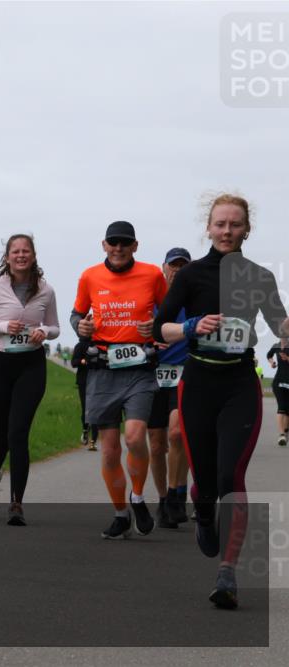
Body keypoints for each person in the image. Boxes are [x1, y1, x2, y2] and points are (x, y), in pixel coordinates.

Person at [154, 193, 288, 609]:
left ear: (247, 229)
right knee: (206, 484)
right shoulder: (190, 276)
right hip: (196, 384)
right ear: (209, 228)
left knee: (232, 476)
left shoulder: (260, 277)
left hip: (238, 386)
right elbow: (161, 328)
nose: (227, 231)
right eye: (220, 224)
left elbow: (279, 324)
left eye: (235, 224)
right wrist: (192, 325)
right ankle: (204, 514)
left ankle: (228, 571)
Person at [72, 221, 167, 539]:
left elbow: (167, 312)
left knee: (135, 437)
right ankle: (120, 514)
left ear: (135, 246)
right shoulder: (89, 276)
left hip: (139, 369)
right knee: (110, 450)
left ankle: (138, 496)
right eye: (113, 242)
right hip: (102, 369)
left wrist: (156, 324)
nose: (118, 248)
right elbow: (77, 314)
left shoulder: (153, 274)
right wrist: (80, 328)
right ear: (104, 245)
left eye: (125, 243)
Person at [0, 235, 60, 526]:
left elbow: (55, 327)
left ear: (33, 256)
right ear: (7, 257)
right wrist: (2, 326)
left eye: (26, 251)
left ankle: (17, 503)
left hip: (30, 365)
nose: (21, 256)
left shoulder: (46, 289)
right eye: (15, 251)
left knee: (18, 433)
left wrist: (44, 330)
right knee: (0, 438)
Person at [147, 248, 192, 529]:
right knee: (156, 443)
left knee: (177, 433)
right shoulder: (150, 298)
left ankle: (177, 493)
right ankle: (163, 499)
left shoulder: (195, 299)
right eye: (173, 266)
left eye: (182, 266)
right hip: (152, 377)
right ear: (163, 268)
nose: (177, 270)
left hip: (184, 374)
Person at [70, 340, 99, 451]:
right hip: (84, 381)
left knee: (96, 409)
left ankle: (93, 441)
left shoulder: (101, 343)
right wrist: (84, 361)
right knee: (86, 409)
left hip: (98, 381)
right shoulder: (80, 345)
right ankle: (85, 429)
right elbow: (73, 362)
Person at [267, 342, 289, 446]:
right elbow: (269, 355)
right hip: (279, 381)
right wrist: (272, 362)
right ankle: (281, 434)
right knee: (282, 406)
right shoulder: (276, 345)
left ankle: (285, 431)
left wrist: (287, 358)